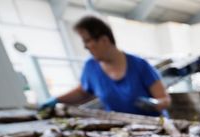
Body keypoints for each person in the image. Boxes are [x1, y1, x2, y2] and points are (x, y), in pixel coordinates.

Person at [40, 16, 170, 116]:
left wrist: (155, 104)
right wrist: (56, 100)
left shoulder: (140, 65)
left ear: (104, 40)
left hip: (155, 126)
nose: (85, 46)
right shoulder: (91, 67)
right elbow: (82, 92)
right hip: (122, 128)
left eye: (87, 41)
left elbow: (164, 99)